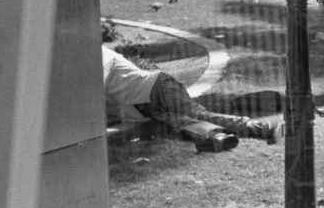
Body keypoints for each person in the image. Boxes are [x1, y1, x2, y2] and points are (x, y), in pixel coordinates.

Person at [102, 44, 283, 147]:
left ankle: (263, 128)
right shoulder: (86, 59)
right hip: (144, 106)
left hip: (155, 89)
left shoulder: (98, 55)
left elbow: (93, 95)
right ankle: (217, 137)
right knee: (181, 124)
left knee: (197, 114)